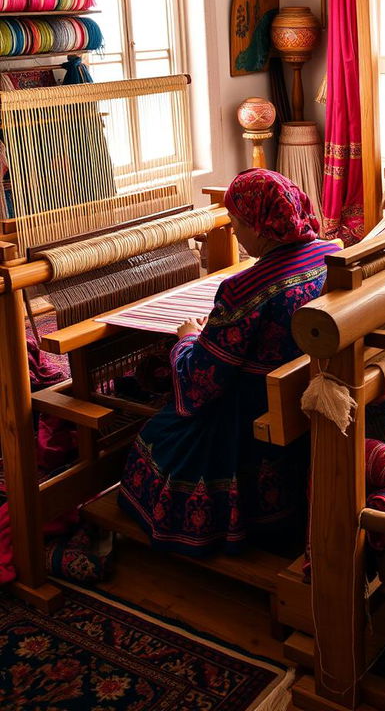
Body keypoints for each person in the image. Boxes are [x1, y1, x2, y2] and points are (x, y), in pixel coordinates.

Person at [119, 169, 340, 556]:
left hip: (254, 415)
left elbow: (199, 385)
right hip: (306, 394)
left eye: (237, 223)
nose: (235, 232)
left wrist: (187, 336)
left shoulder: (243, 289)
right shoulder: (331, 253)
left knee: (157, 436)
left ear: (262, 225)